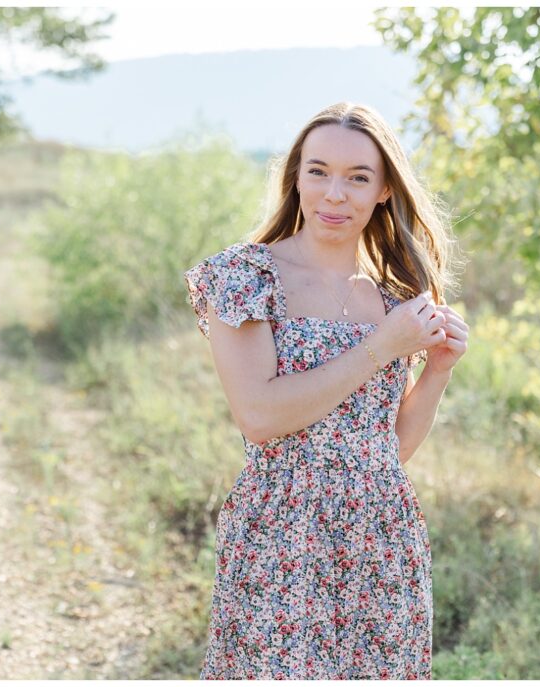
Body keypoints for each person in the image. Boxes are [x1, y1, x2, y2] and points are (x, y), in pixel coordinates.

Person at [183, 102, 468, 679]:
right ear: (295, 176)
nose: (334, 193)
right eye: (318, 171)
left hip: (382, 534)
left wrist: (438, 369)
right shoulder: (246, 277)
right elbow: (259, 417)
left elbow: (391, 448)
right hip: (281, 532)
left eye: (358, 177)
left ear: (385, 189)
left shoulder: (393, 298)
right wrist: (381, 348)